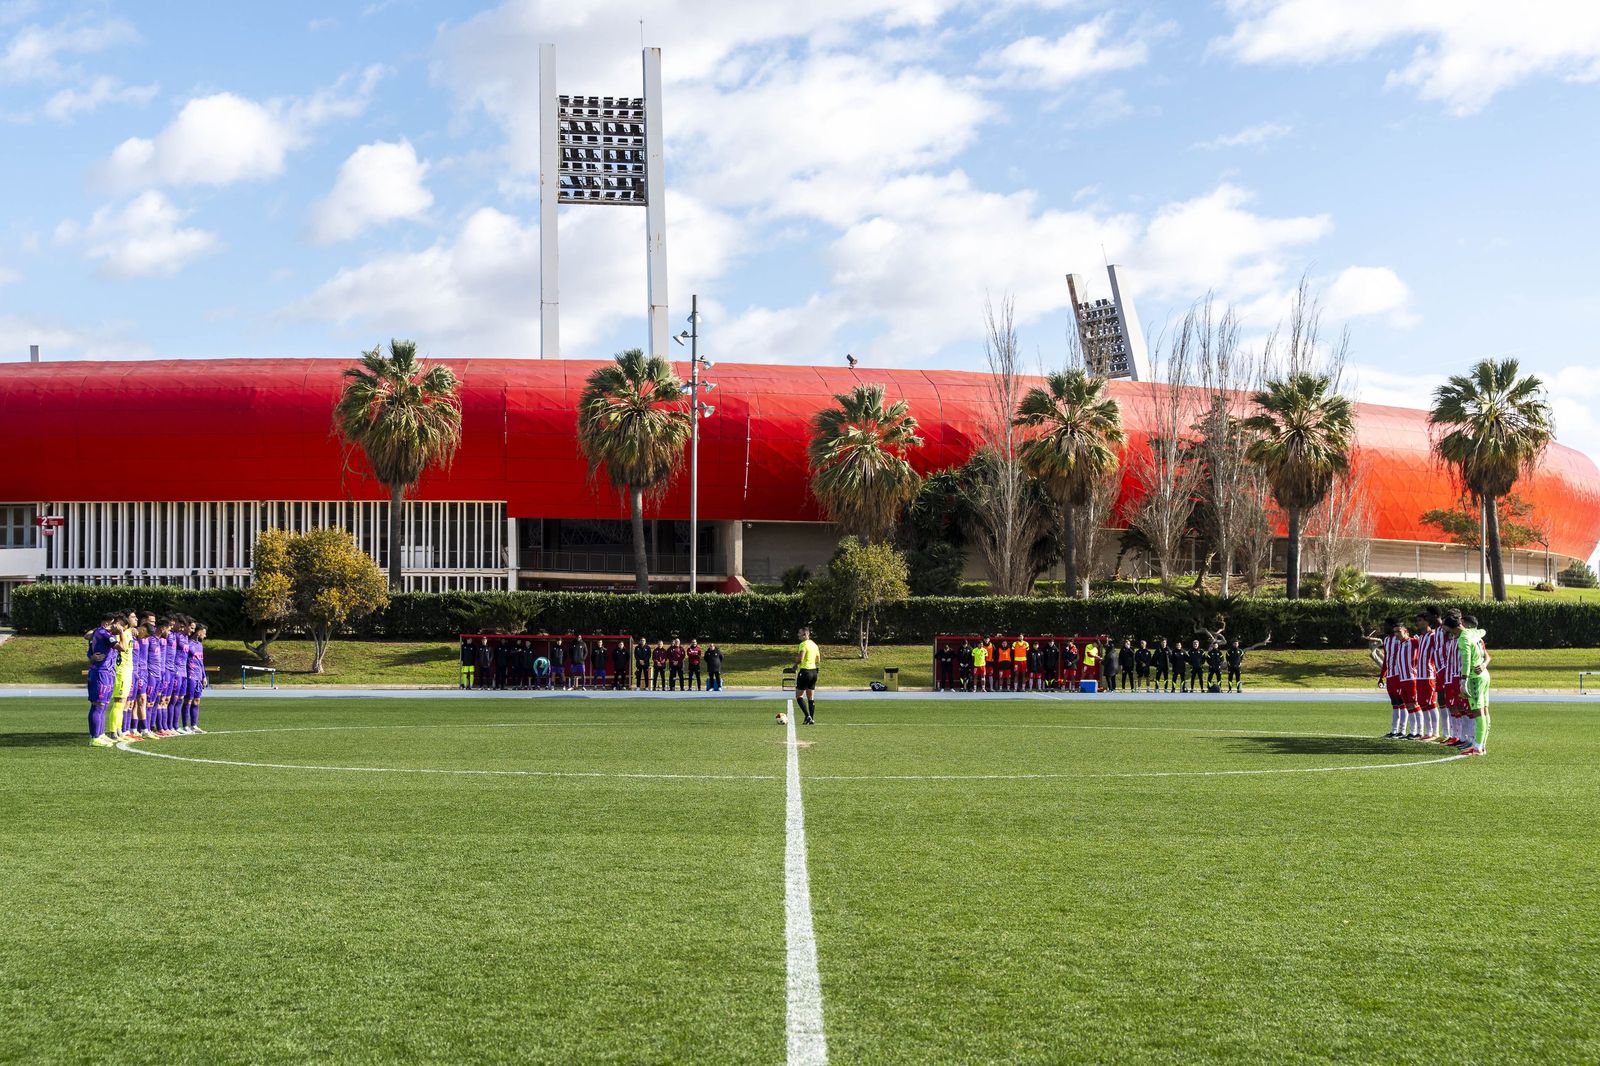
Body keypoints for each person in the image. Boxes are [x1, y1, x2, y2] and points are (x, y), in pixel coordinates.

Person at [1458, 612, 1491, 755]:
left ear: (1466, 624)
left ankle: (1477, 747)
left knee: (1478, 711)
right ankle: (1481, 745)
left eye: (1462, 622)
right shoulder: (1477, 636)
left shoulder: (1466, 637)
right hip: (1484, 675)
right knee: (1484, 710)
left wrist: (1463, 680)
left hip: (1475, 677)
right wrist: (1484, 664)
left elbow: (1467, 660)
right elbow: (1486, 655)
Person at [85, 613, 119, 746]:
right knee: (98, 705)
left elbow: (90, 648)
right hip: (100, 673)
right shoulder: (102, 633)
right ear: (107, 623)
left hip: (108, 672)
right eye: (114, 623)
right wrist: (92, 657)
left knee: (103, 705)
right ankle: (94, 737)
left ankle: (100, 734)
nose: (116, 626)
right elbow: (122, 648)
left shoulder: (103, 635)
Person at [1378, 619, 1415, 738]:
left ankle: (1402, 731)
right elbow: (1386, 659)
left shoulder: (1399, 639)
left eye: (1386, 625)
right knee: (1394, 703)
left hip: (1399, 675)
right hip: (1390, 676)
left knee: (1402, 702)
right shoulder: (1386, 640)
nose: (1384, 628)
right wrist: (1382, 675)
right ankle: (1394, 730)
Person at [793, 627, 820, 725]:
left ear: (805, 635)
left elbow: (801, 658)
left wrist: (795, 665)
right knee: (810, 697)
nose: (798, 635)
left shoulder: (803, 644)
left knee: (799, 695)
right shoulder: (814, 645)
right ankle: (811, 719)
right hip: (814, 672)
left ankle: (807, 715)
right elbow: (818, 659)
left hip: (805, 672)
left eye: (799, 633)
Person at [184, 624, 208, 733]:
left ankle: (194, 725)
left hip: (199, 676)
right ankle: (185, 726)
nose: (205, 635)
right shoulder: (188, 643)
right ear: (198, 632)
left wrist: (204, 676)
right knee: (188, 700)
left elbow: (201, 662)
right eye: (204, 633)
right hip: (190, 675)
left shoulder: (200, 645)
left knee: (197, 700)